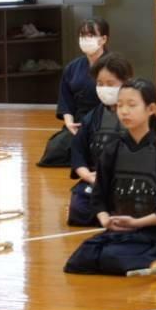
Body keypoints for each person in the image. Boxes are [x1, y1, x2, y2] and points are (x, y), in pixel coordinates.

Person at [65, 79, 156, 275]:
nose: (124, 111)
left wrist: (137, 223)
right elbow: (99, 194)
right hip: (120, 232)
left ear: (151, 109)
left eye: (132, 105)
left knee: (116, 259)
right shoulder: (112, 150)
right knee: (80, 260)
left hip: (153, 232)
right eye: (120, 105)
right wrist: (105, 220)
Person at [67, 53, 132, 227]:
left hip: (128, 180)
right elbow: (78, 152)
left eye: (110, 84)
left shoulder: (138, 116)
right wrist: (87, 175)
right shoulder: (91, 118)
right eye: (100, 84)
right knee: (79, 209)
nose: (104, 88)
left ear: (126, 83)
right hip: (97, 180)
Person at [38, 19, 109, 168]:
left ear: (103, 39)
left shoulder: (113, 65)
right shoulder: (72, 67)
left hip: (104, 120)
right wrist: (69, 123)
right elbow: (66, 99)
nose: (85, 40)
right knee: (54, 151)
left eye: (90, 36)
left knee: (101, 149)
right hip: (79, 121)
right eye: (82, 36)